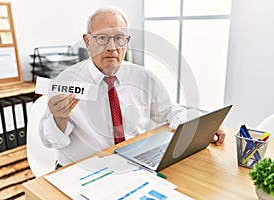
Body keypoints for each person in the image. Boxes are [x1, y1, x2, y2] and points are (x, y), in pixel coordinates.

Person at [39, 6, 226, 168]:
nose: (111, 47)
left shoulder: (143, 76)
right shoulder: (66, 80)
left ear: (127, 42)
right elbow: (49, 141)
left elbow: (168, 111)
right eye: (102, 38)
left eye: (119, 38)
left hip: (133, 165)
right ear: (87, 42)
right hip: (81, 170)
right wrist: (59, 118)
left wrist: (201, 125)